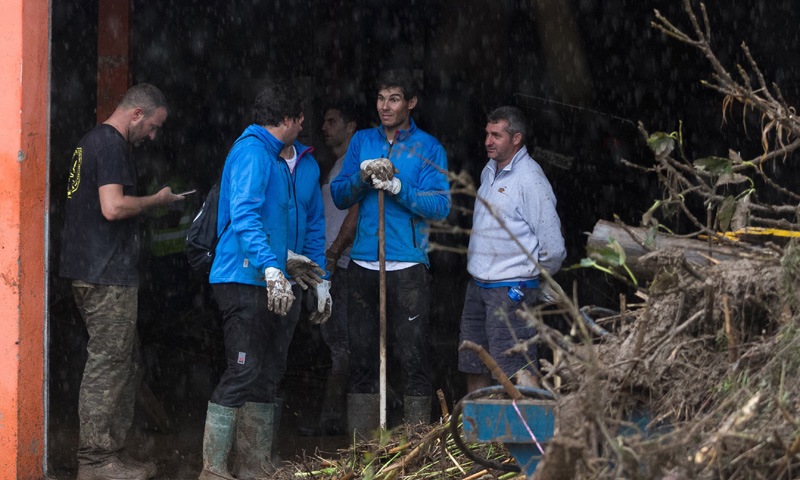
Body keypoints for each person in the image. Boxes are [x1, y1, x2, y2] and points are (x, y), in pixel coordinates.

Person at [58, 83, 182, 480]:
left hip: (92, 270)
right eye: (153, 127)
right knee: (108, 366)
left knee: (124, 364)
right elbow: (112, 207)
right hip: (105, 274)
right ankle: (95, 462)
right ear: (136, 114)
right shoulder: (111, 145)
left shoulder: (90, 142)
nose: (153, 136)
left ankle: (110, 455)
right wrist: (156, 202)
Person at [330, 69, 451, 436]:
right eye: (381, 98)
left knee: (413, 357)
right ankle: (362, 449)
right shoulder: (362, 142)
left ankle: (416, 444)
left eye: (394, 98)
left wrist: (399, 187)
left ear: (410, 103)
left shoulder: (428, 148)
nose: (385, 106)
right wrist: (361, 178)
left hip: (409, 264)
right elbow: (339, 195)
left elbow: (441, 206)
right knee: (362, 357)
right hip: (364, 262)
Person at [199, 83, 305, 480]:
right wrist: (270, 266)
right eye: (300, 120)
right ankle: (212, 470)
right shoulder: (253, 153)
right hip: (241, 277)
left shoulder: (268, 154)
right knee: (242, 370)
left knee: (260, 372)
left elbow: (268, 221)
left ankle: (253, 465)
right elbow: (244, 215)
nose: (302, 127)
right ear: (291, 120)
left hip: (257, 276)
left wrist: (284, 261)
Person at [458, 106, 566, 393]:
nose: (488, 141)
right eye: (487, 134)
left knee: (515, 367)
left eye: (496, 135)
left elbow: (554, 248)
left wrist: (532, 280)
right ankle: (479, 436)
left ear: (516, 138)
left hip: (510, 290)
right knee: (474, 361)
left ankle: (519, 435)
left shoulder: (531, 179)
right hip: (478, 287)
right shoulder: (489, 171)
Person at [299, 103, 359, 436]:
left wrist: (334, 253)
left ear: (351, 127)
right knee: (335, 342)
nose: (324, 126)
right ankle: (338, 417)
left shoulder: (353, 166)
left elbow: (358, 212)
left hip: (342, 266)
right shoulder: (339, 165)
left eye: (332, 121)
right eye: (324, 119)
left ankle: (333, 421)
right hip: (329, 266)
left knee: (341, 345)